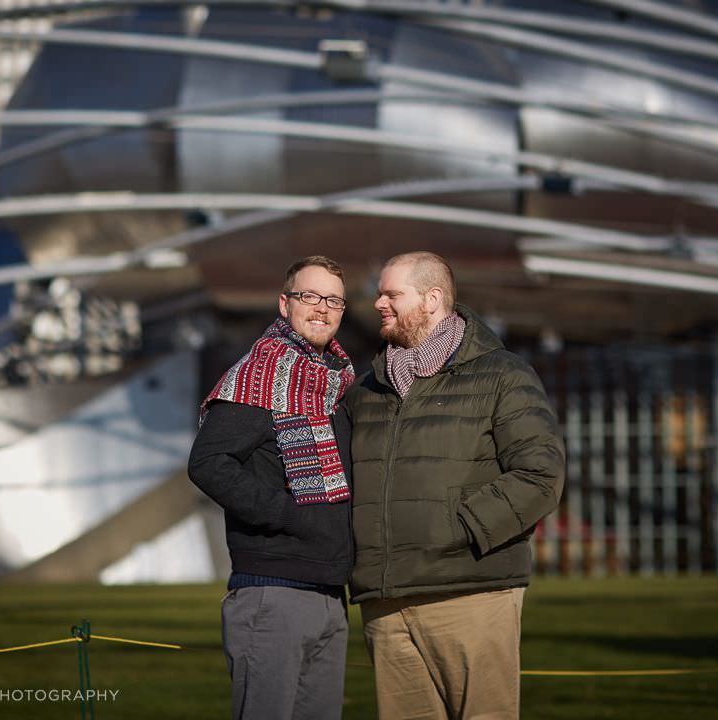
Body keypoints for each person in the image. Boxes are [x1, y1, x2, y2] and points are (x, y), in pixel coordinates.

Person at [347, 251, 566, 720]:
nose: (378, 303)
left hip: (470, 592)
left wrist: (458, 531)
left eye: (392, 294)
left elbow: (540, 474)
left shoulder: (502, 374)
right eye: (379, 293)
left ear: (432, 299)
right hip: (384, 603)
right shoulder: (366, 392)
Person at [188, 256, 355, 720]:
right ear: (285, 304)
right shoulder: (258, 378)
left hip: (329, 595)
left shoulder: (334, 386)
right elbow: (207, 462)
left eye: (334, 300)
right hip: (272, 594)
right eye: (309, 296)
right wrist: (286, 514)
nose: (321, 308)